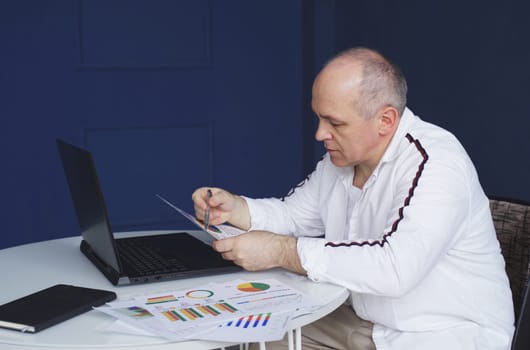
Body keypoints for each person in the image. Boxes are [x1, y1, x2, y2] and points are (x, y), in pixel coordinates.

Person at [192, 47, 515, 349]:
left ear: (385, 121)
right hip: (361, 319)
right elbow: (293, 216)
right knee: (246, 336)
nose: (320, 134)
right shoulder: (342, 161)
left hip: (441, 335)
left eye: (335, 123)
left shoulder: (437, 164)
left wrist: (278, 250)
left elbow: (395, 269)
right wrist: (236, 207)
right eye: (319, 118)